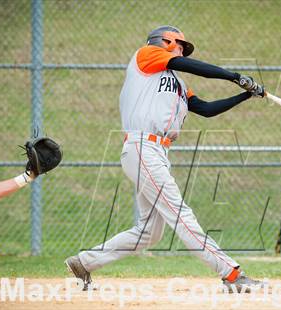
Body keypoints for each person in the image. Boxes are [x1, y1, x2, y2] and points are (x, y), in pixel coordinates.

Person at [65, 25, 265, 292]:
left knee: (149, 232)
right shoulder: (146, 55)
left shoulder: (179, 84)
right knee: (181, 215)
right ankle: (232, 274)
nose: (182, 50)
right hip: (143, 146)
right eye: (179, 44)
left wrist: (244, 94)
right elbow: (190, 65)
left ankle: (84, 262)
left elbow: (205, 109)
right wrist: (235, 76)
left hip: (155, 152)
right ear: (165, 41)